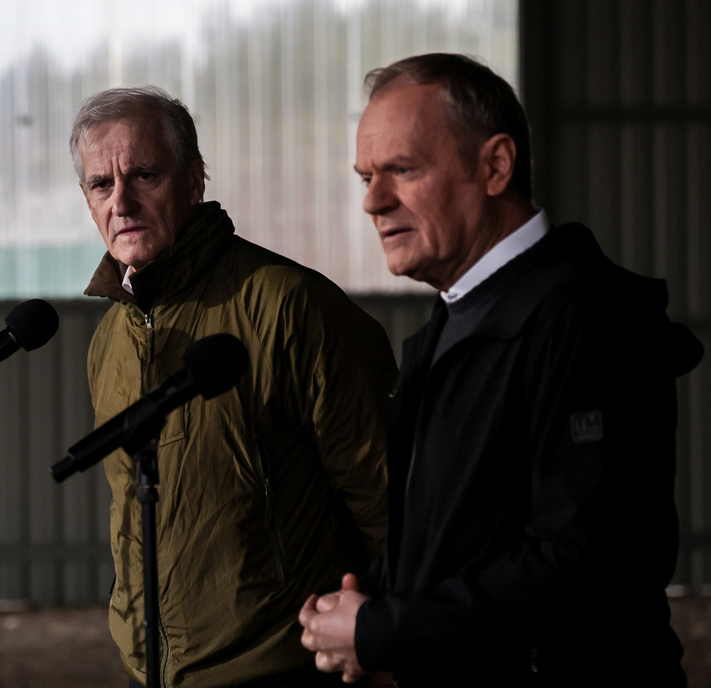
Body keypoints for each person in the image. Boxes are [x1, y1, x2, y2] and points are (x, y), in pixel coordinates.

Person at [298, 53, 703, 686]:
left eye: (402, 170)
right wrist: (367, 603)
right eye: (366, 177)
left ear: (495, 166)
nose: (374, 202)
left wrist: (385, 631)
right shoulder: (452, 323)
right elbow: (464, 532)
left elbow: (584, 562)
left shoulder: (580, 321)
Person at [69, 86, 396, 688]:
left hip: (283, 665)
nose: (122, 201)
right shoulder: (109, 341)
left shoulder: (291, 307)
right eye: (100, 184)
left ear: (194, 181)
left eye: (144, 175)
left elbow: (385, 502)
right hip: (154, 672)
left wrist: (387, 647)